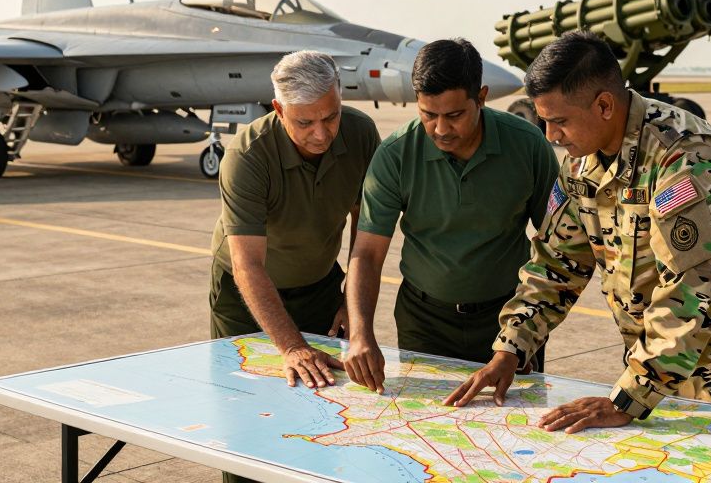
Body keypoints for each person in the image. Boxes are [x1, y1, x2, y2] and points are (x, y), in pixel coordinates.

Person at [444, 31, 711, 432]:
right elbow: (557, 263)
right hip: (664, 376)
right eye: (544, 121)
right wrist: (511, 349)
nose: (550, 136)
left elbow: (695, 287)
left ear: (604, 105)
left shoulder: (684, 157)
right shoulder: (580, 163)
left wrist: (630, 398)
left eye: (559, 121)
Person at [343, 38, 558, 393]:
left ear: (482, 97)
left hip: (507, 318)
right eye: (429, 115)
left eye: (455, 115)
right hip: (424, 323)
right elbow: (366, 253)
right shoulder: (395, 155)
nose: (441, 129)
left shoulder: (528, 145)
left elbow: (558, 246)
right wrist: (361, 333)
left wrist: (524, 333)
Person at [209, 50, 379, 481]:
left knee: (323, 416)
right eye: (305, 122)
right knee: (250, 415)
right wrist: (290, 345)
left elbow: (366, 232)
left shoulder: (360, 133)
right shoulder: (247, 155)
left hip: (321, 284)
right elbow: (248, 265)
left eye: (331, 116)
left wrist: (349, 299)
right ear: (279, 109)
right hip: (243, 295)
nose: (322, 134)